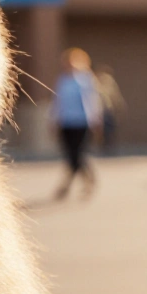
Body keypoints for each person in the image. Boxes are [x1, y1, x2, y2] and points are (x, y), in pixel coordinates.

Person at [50, 48, 102, 200]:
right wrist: (53, 120)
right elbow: (57, 102)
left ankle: (65, 187)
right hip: (66, 122)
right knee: (70, 154)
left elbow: (91, 101)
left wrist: (95, 121)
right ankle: (87, 179)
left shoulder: (85, 80)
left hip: (81, 122)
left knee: (77, 154)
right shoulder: (62, 80)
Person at [95, 64, 125, 155]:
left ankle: (108, 146)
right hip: (101, 111)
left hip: (108, 111)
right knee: (103, 130)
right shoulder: (96, 85)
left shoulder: (110, 86)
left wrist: (119, 107)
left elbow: (116, 98)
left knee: (109, 129)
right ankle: (104, 146)